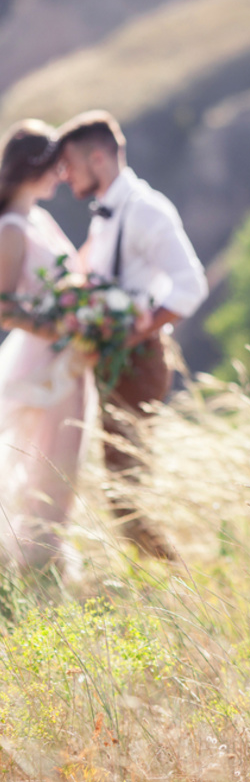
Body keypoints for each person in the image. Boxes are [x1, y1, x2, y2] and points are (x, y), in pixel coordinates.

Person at [57, 110, 208, 561]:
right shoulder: (106, 214)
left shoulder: (146, 210)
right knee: (122, 487)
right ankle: (160, 579)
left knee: (126, 493)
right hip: (111, 364)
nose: (65, 177)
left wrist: (137, 330)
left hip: (138, 363)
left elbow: (191, 284)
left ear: (99, 158)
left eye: (70, 165)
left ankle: (177, 581)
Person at [0, 119, 98, 578]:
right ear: (34, 167)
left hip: (68, 354)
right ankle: (35, 561)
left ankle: (45, 557)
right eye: (55, 167)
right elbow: (3, 307)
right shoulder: (12, 229)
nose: (62, 176)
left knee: (64, 456)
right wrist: (56, 327)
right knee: (43, 456)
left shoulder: (39, 217)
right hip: (42, 357)